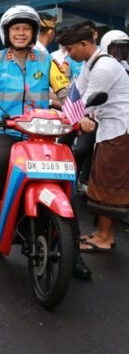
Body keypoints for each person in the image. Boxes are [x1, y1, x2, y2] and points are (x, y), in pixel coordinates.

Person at [0, 5, 92, 279]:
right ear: (7, 33)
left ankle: (74, 252)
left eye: (26, 29)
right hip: (3, 129)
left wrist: (80, 117)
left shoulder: (47, 61)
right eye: (16, 29)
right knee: (4, 158)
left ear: (34, 33)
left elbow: (65, 88)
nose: (21, 33)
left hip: (41, 132)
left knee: (66, 174)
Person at [56, 24, 129, 254]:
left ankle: (105, 237)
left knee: (108, 184)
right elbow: (75, 96)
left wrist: (76, 118)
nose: (68, 54)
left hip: (119, 130)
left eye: (70, 49)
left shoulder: (104, 67)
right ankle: (100, 233)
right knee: (99, 180)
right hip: (108, 130)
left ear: (85, 44)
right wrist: (61, 116)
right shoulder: (91, 64)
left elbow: (87, 103)